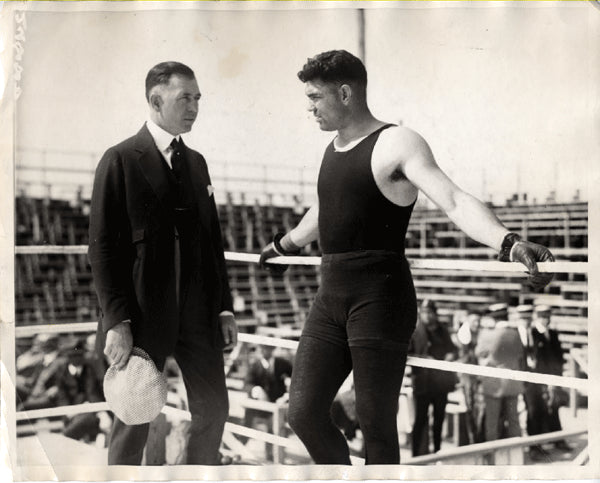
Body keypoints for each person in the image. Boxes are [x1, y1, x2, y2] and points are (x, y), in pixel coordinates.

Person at [258, 50, 554, 464]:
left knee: (375, 421)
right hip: (331, 297)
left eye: (314, 98)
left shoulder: (397, 142)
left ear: (345, 93)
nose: (309, 108)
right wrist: (284, 246)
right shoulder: (333, 149)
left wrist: (509, 242)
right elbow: (326, 208)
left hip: (380, 297)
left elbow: (451, 199)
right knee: (303, 412)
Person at [88, 61, 237, 465]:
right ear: (155, 100)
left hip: (198, 316)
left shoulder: (197, 163)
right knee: (132, 419)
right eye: (184, 98)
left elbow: (212, 243)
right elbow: (101, 250)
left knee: (214, 410)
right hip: (140, 316)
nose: (194, 107)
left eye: (197, 98)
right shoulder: (119, 159)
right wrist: (117, 322)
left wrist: (224, 307)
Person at [408, 299, 458, 456]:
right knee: (420, 421)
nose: (427, 316)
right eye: (424, 312)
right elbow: (408, 354)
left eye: (430, 312)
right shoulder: (415, 331)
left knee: (438, 420)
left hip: (440, 385)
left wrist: (449, 357)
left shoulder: (442, 330)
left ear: (435, 314)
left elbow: (453, 350)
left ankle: (437, 452)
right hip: (422, 384)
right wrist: (424, 359)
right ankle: (416, 455)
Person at [475, 303, 526, 452]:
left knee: (492, 422)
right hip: (512, 382)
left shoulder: (487, 334)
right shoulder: (515, 334)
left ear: (493, 318)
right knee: (514, 421)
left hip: (493, 384)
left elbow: (479, 352)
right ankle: (516, 453)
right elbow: (520, 354)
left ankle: (492, 455)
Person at [525, 304, 570, 459]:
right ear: (537, 317)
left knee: (554, 409)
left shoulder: (552, 334)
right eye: (543, 316)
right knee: (535, 412)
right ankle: (535, 447)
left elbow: (558, 358)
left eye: (547, 316)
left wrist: (556, 379)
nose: (546, 319)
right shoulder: (532, 333)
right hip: (537, 381)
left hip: (552, 379)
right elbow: (536, 360)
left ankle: (557, 440)